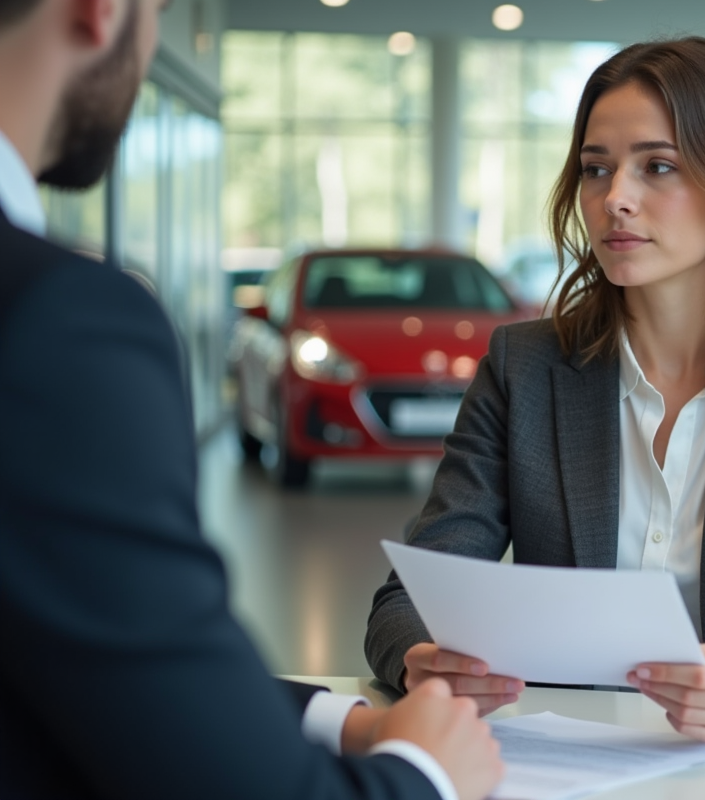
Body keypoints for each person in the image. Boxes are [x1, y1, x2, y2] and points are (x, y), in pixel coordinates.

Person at [0, 1, 503, 798]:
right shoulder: (56, 317)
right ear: (102, 11)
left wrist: (350, 721)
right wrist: (424, 773)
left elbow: (100, 659)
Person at [365, 37, 705, 743]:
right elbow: (408, 598)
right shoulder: (523, 366)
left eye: (658, 166)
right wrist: (423, 661)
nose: (615, 198)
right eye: (596, 170)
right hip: (555, 757)